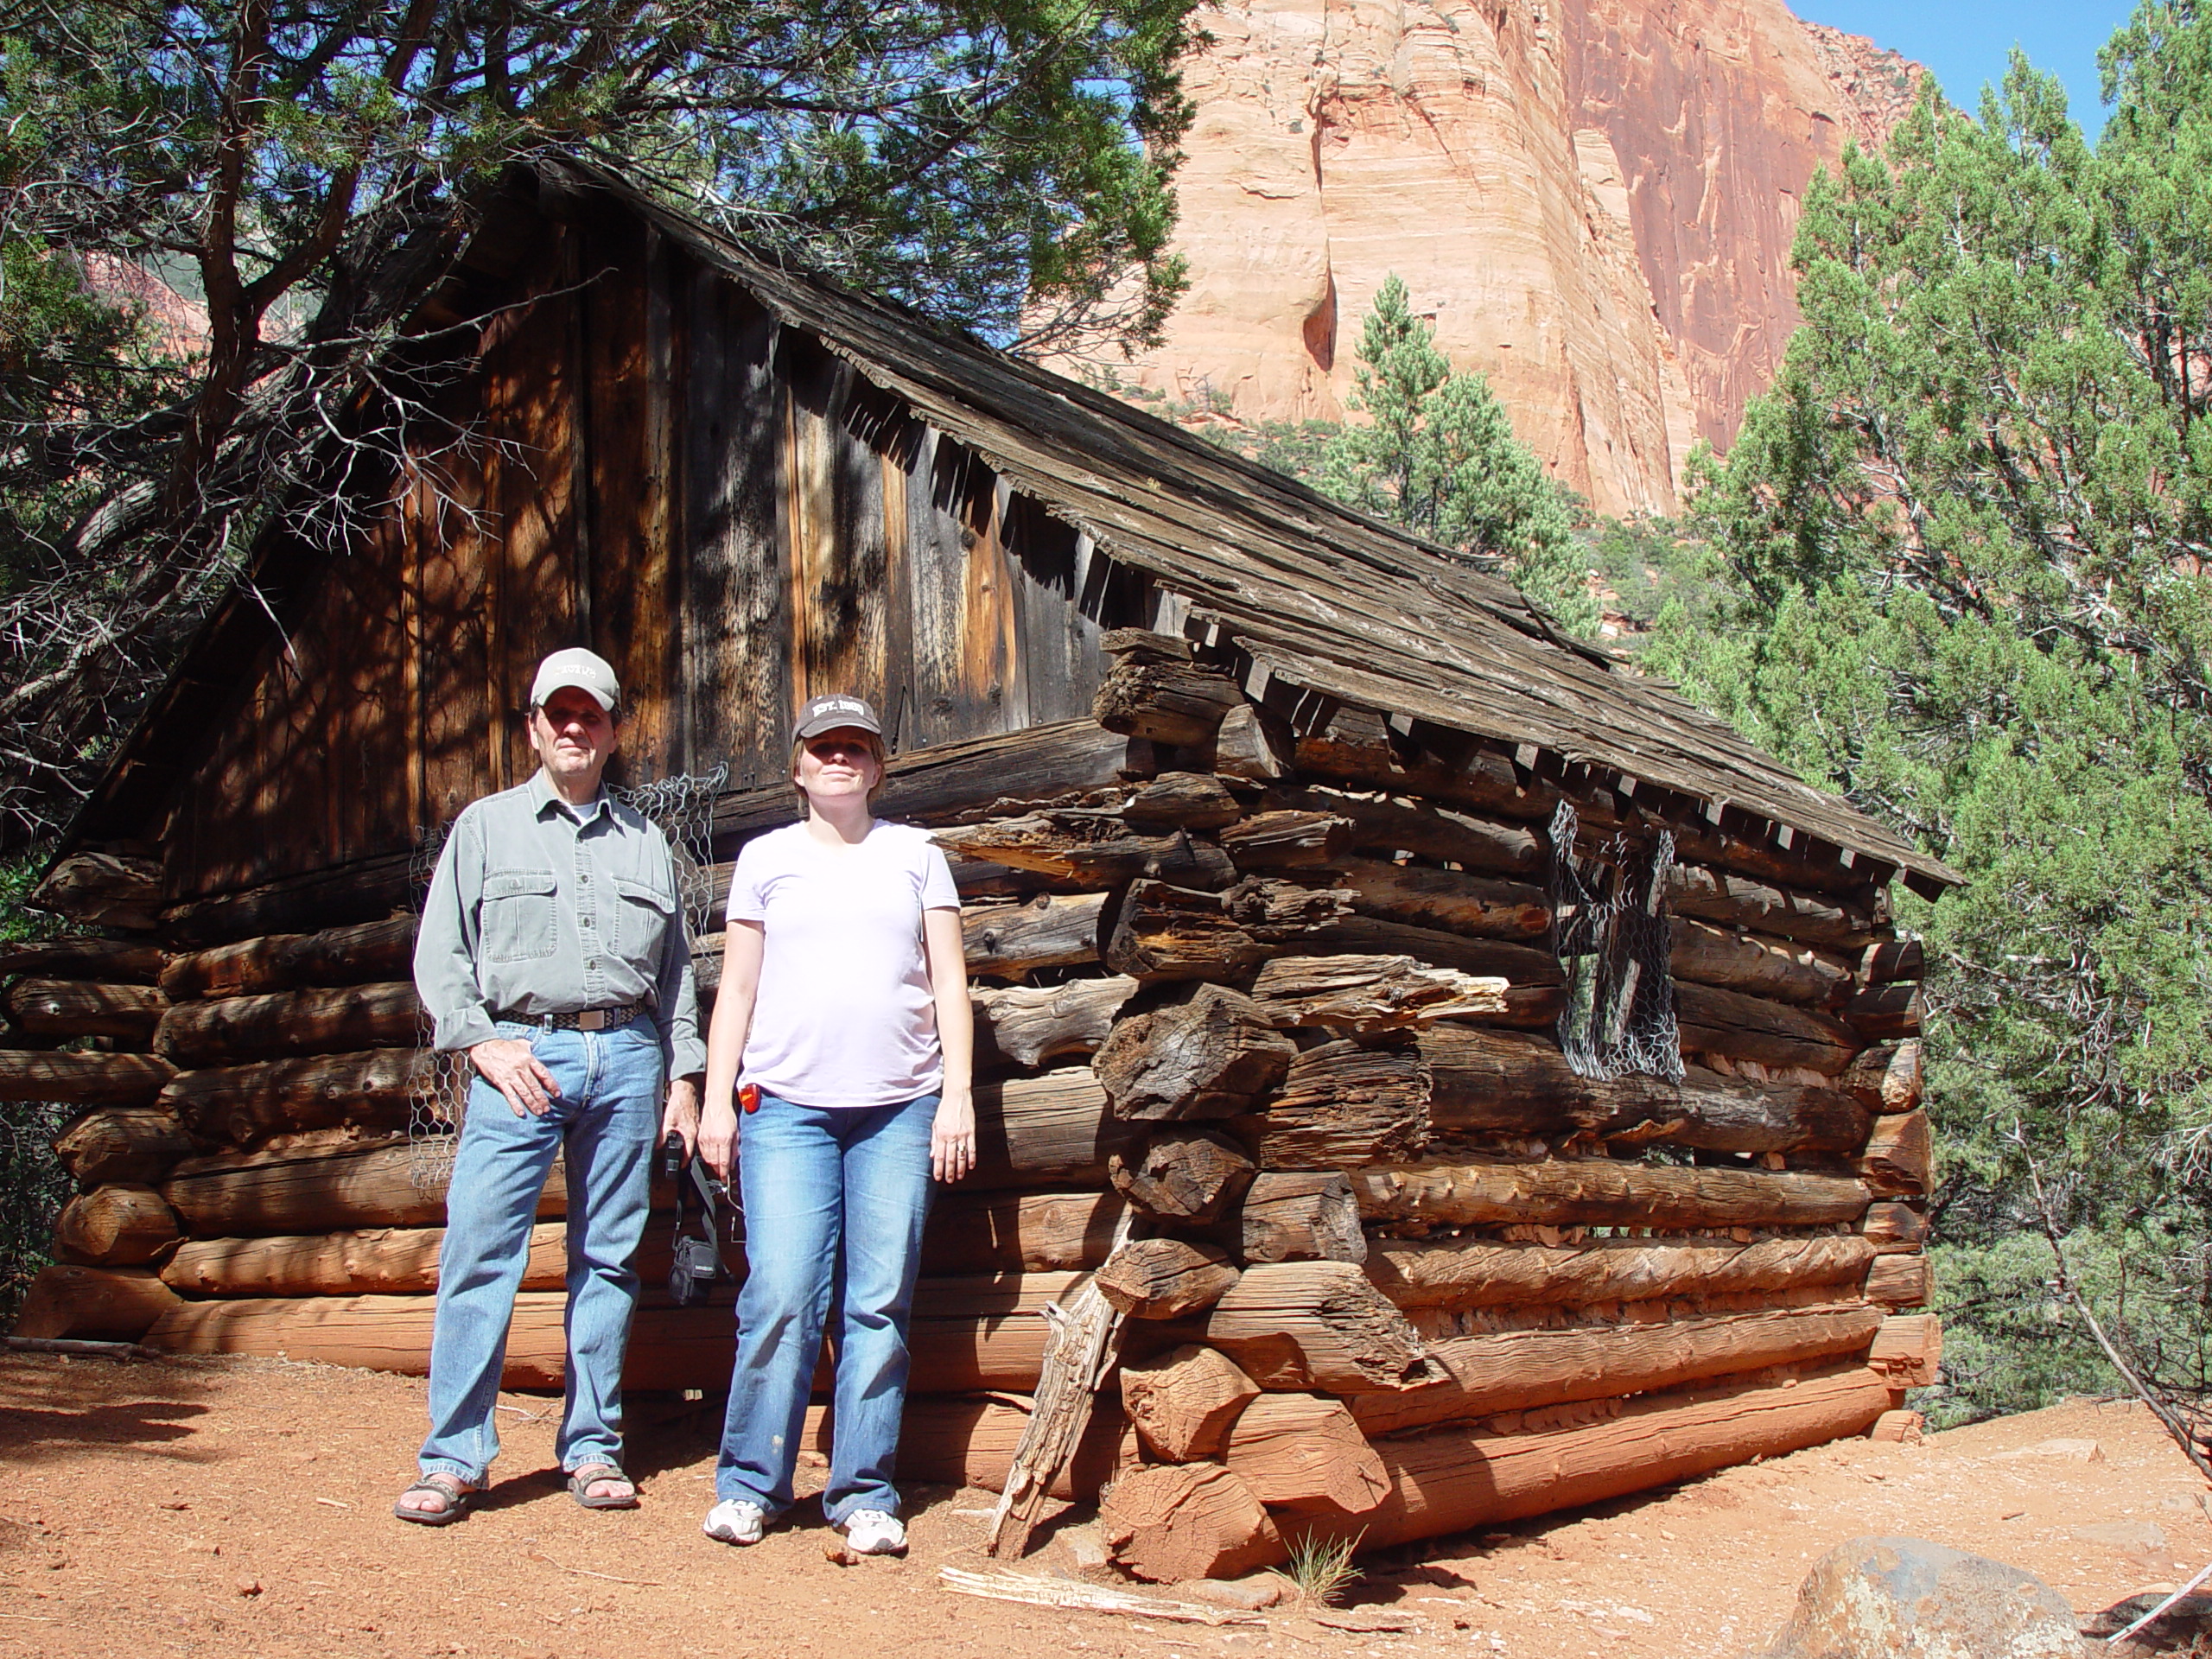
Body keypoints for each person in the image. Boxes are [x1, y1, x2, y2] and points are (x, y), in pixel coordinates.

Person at [396, 647, 706, 1525]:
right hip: (519, 1060)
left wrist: (682, 1075)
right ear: (532, 727)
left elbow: (677, 972)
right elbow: (440, 955)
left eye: (591, 716)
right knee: (480, 1255)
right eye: (557, 715)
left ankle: (593, 1446)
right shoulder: (485, 827)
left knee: (608, 1260)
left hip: (628, 1061)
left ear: (611, 733)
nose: (574, 729)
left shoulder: (647, 842)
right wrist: (481, 1046)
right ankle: (454, 1457)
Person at [696, 692, 975, 1558]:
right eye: (824, 747)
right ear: (798, 766)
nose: (839, 759)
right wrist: (714, 1101)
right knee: (780, 1294)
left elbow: (949, 984)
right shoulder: (764, 860)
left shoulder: (917, 856)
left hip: (898, 1107)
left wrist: (956, 1096)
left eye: (856, 746)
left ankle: (863, 1491)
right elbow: (735, 989)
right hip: (784, 1108)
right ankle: (751, 1484)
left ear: (879, 765)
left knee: (877, 1302)